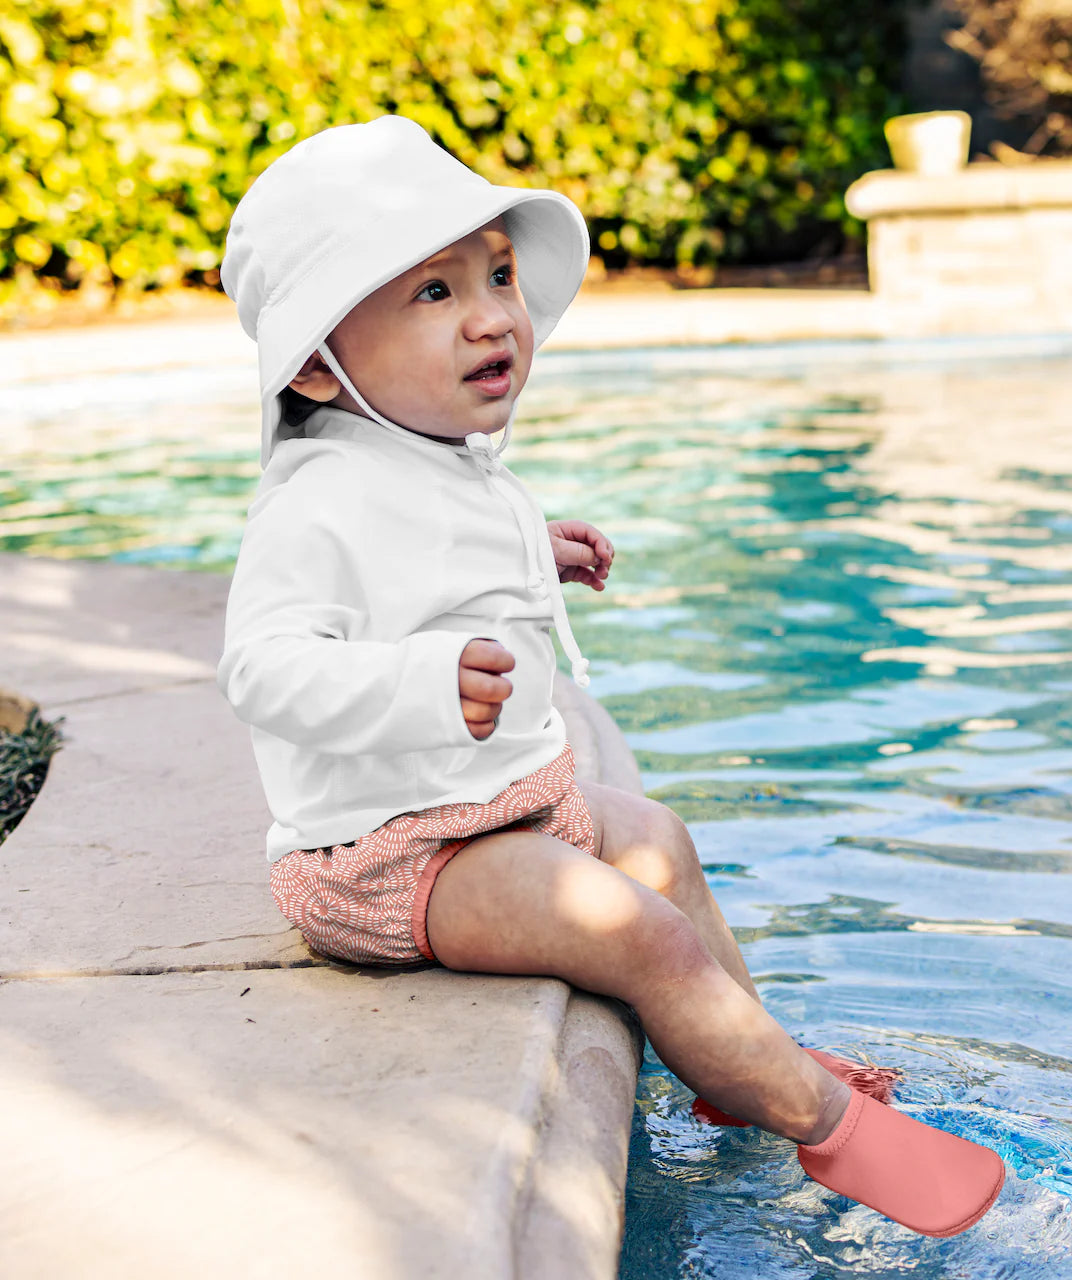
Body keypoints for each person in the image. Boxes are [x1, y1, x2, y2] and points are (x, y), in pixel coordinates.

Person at [216, 114, 1004, 1239]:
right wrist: (419, 681)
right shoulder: (314, 499)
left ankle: (743, 1056)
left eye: (496, 273)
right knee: (636, 931)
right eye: (432, 293)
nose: (495, 312)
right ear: (312, 363)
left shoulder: (431, 455)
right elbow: (260, 666)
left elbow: (434, 557)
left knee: (659, 840)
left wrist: (531, 556)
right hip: (389, 858)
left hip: (494, 810)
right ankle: (825, 1124)